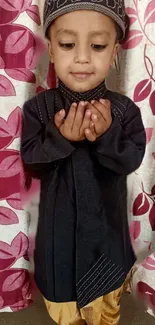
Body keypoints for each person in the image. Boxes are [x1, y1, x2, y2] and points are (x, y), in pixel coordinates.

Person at [21, 0, 146, 324]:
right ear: (51, 47)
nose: (82, 57)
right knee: (65, 313)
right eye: (67, 44)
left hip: (108, 241)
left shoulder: (123, 110)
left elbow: (131, 160)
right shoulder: (39, 109)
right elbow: (32, 162)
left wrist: (107, 136)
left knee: (106, 312)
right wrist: (61, 138)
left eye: (98, 45)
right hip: (58, 245)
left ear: (115, 51)